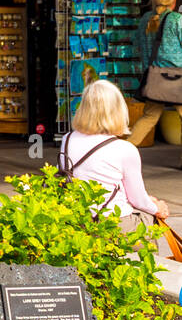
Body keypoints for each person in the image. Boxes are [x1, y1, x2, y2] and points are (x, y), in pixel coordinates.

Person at [59, 78, 168, 226]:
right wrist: (157, 208)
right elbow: (138, 200)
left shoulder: (68, 139)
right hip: (110, 222)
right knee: (152, 218)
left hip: (76, 220)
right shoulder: (125, 149)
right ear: (118, 110)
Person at [129, 0, 182, 162]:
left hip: (154, 78)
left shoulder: (145, 19)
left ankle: (123, 153)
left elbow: (138, 46)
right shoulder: (176, 20)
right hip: (178, 78)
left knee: (149, 117)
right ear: (173, 1)